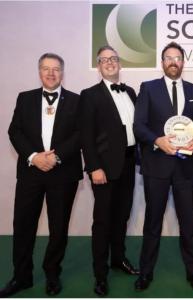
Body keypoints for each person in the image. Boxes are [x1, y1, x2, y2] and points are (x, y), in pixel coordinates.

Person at [0, 53, 82, 297]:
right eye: (46, 68)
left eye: (56, 69)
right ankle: (21, 276)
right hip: (30, 173)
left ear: (62, 72)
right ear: (39, 72)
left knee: (59, 228)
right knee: (23, 225)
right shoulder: (25, 98)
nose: (51, 73)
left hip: (63, 173)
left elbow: (80, 134)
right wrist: (34, 157)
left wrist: (55, 158)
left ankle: (52, 273)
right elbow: (14, 132)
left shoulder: (77, 101)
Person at [133, 42, 193, 291]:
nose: (173, 62)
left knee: (189, 223)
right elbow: (139, 125)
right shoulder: (148, 88)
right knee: (152, 222)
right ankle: (145, 272)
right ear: (162, 62)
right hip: (157, 166)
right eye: (168, 58)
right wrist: (157, 140)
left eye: (177, 57)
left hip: (186, 168)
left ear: (183, 62)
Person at [80, 45, 138, 296]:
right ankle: (100, 274)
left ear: (120, 64)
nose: (110, 63)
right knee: (103, 221)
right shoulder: (89, 95)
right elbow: (86, 135)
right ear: (99, 65)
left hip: (128, 163)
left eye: (114, 59)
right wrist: (94, 167)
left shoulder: (131, 92)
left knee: (122, 216)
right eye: (105, 60)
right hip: (103, 168)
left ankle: (119, 258)